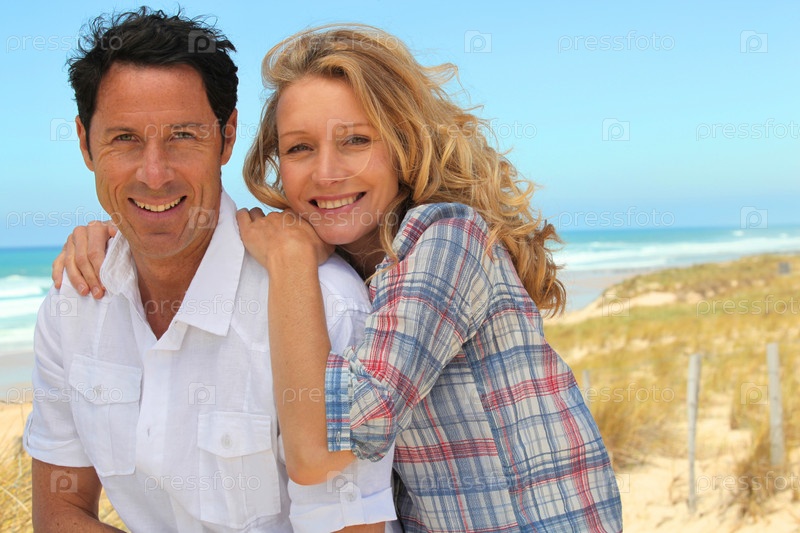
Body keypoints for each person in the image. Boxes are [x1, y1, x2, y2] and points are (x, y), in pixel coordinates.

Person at [56, 23, 623, 532]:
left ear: (402, 142)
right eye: (301, 147)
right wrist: (124, 234)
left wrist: (290, 262)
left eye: (355, 140)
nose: (327, 173)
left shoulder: (447, 239)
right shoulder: (350, 255)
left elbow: (320, 452)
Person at [28, 9, 396, 532]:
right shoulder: (73, 303)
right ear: (86, 143)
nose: (154, 174)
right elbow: (58, 514)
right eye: (124, 138)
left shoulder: (324, 306)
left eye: (182, 135)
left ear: (226, 138)